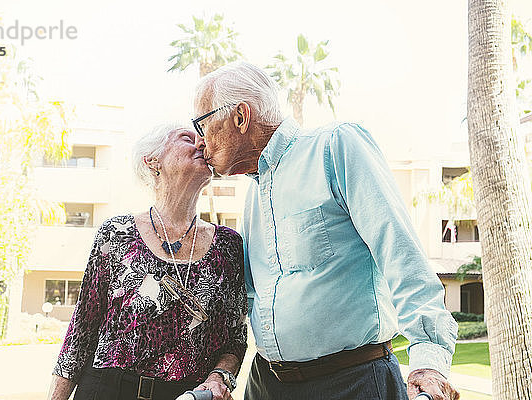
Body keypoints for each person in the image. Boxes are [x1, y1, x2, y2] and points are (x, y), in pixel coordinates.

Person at [192, 61, 460, 400]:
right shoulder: (253, 197)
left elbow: (400, 252)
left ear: (240, 117)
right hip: (266, 385)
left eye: (202, 125)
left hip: (351, 383)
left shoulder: (335, 146)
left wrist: (429, 360)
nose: (200, 142)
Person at [47, 124, 248, 400]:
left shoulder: (229, 246)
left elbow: (235, 339)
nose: (202, 143)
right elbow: (81, 330)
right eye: (188, 138)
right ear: (153, 162)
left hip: (184, 395)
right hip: (107, 389)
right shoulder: (116, 233)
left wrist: (217, 378)